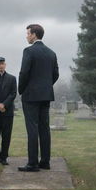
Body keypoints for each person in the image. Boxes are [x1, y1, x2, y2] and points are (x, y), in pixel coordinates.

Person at [18, 24, 59, 172]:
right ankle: (45, 162)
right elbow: (56, 74)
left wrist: (21, 89)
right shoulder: (51, 53)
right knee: (44, 128)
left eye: (28, 33)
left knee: (32, 129)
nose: (26, 36)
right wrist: (46, 86)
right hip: (46, 95)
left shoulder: (28, 51)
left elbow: (24, 73)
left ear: (34, 34)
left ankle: (33, 163)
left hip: (30, 96)